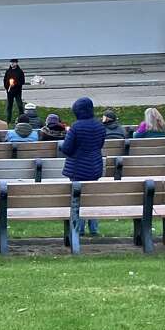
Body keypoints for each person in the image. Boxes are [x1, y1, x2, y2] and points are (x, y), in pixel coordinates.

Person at [60, 97, 107, 234]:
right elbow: (100, 144)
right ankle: (94, 228)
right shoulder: (99, 126)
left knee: (77, 199)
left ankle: (78, 228)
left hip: (77, 168)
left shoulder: (76, 127)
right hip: (95, 166)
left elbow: (67, 149)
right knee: (91, 197)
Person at [3, 59, 25, 124]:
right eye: (11, 63)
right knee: (9, 106)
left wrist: (15, 84)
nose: (12, 64)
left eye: (14, 63)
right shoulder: (8, 71)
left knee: (20, 105)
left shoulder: (20, 71)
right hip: (10, 92)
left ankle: (22, 119)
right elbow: (5, 80)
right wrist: (7, 87)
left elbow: (22, 81)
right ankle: (8, 120)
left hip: (17, 91)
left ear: (16, 63)